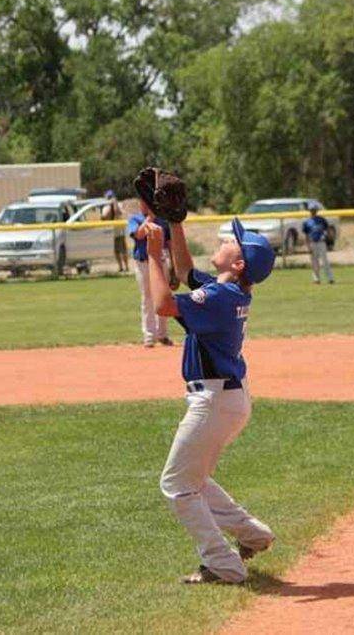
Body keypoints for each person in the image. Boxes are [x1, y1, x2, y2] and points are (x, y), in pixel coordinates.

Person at [142, 213, 277, 585]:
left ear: (239, 264)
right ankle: (252, 534)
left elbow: (164, 306)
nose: (224, 240)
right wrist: (175, 224)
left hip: (215, 400)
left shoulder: (218, 297)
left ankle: (223, 564)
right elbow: (186, 271)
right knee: (194, 477)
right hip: (227, 397)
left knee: (177, 485)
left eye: (232, 241)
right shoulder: (228, 290)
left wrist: (155, 254)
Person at [128, 201, 173, 347]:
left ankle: (163, 334)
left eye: (147, 203)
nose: (144, 205)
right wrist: (150, 218)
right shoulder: (135, 219)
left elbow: (169, 243)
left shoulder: (163, 220)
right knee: (147, 298)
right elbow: (139, 234)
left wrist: (173, 266)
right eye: (142, 202)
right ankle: (149, 336)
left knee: (164, 298)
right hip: (143, 263)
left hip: (161, 262)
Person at [302, 204, 335, 284]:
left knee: (325, 261)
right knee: (314, 262)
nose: (313, 211)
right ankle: (316, 279)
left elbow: (328, 230)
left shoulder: (322, 220)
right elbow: (306, 235)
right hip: (312, 242)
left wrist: (330, 242)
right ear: (309, 211)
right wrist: (308, 246)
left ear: (316, 210)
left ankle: (330, 278)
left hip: (321, 242)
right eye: (311, 210)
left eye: (314, 210)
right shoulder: (307, 222)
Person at [102, 190, 128, 273]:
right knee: (117, 251)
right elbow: (105, 217)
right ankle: (121, 267)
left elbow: (119, 213)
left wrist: (114, 204)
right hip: (111, 232)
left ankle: (125, 267)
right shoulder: (106, 207)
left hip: (119, 231)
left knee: (122, 250)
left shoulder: (118, 205)